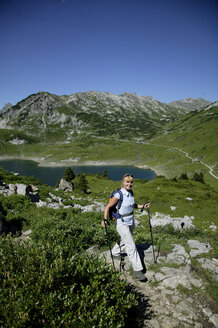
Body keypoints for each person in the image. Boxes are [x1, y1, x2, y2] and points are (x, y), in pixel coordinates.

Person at [101, 174, 150, 281]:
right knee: (131, 245)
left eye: (131, 182)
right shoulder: (119, 194)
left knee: (125, 239)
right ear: (123, 182)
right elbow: (108, 206)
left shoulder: (131, 193)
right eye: (127, 182)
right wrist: (104, 219)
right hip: (121, 222)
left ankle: (114, 253)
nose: (129, 184)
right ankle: (138, 270)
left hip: (130, 220)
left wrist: (143, 206)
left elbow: (132, 205)